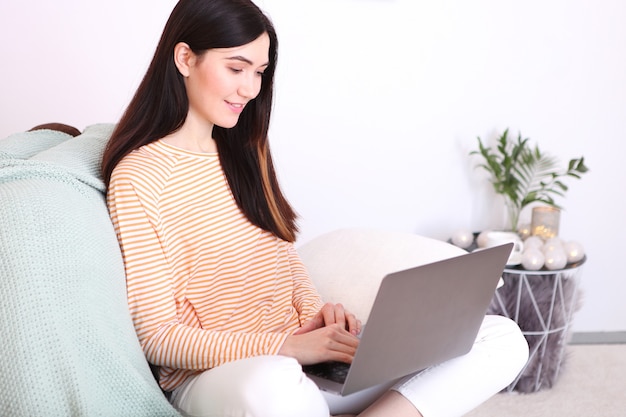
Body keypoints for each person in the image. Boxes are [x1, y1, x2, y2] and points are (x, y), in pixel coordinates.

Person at [102, 0, 529, 416]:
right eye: (236, 68)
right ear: (184, 58)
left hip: (301, 367)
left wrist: (317, 319)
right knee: (273, 384)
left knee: (502, 337)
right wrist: (286, 348)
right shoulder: (139, 177)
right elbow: (158, 337)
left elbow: (284, 261)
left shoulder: (244, 152)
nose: (250, 89)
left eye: (259, 72)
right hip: (221, 377)